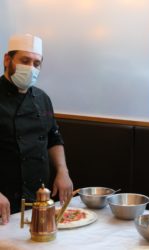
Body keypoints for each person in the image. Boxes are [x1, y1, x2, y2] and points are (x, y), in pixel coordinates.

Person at [0, 34, 73, 225]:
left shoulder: (42, 98)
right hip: (3, 201)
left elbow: (53, 138)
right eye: (25, 61)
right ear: (7, 59)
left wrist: (62, 171)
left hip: (38, 197)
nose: (31, 68)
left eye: (36, 63)